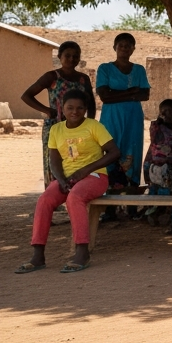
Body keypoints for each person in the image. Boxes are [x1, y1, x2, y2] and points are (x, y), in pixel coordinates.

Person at [16, 91, 121, 274]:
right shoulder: (56, 129)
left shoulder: (93, 126)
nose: (75, 111)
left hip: (95, 177)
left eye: (80, 108)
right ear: (62, 109)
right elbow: (54, 160)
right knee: (45, 199)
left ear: (85, 109)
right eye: (70, 108)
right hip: (68, 179)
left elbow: (114, 152)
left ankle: (82, 252)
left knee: (75, 197)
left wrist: (86, 170)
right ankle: (38, 254)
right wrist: (61, 180)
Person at [95, 32, 152, 221]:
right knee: (110, 155)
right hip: (112, 118)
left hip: (133, 119)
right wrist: (131, 92)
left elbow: (145, 95)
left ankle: (131, 206)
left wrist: (118, 94)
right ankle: (109, 208)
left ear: (134, 49)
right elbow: (104, 96)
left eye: (129, 45)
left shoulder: (139, 70)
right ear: (114, 47)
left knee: (132, 155)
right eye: (121, 45)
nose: (125, 48)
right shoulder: (105, 69)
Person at [21, 40, 95, 186]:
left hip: (77, 127)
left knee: (76, 159)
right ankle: (54, 196)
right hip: (55, 126)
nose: (71, 59)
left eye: (75, 56)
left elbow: (91, 103)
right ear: (60, 57)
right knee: (53, 162)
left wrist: (90, 123)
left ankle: (73, 196)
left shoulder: (83, 79)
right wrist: (47, 110)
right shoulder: (52, 77)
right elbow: (26, 96)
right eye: (67, 55)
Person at [145, 99, 172, 233]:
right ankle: (152, 213)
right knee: (154, 190)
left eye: (168, 111)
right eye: (162, 111)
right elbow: (154, 140)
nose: (164, 114)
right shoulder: (156, 127)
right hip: (157, 167)